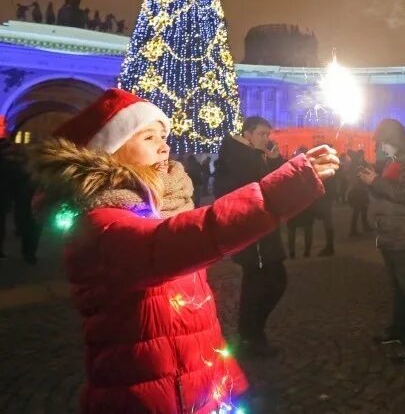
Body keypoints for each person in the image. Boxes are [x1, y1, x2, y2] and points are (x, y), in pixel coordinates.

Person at [29, 88, 337, 413]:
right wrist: (279, 192)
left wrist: (221, 375)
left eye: (164, 135)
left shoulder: (162, 206)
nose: (165, 145)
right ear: (108, 152)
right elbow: (181, 238)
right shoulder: (100, 224)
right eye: (148, 138)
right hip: (143, 396)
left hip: (194, 386)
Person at [213, 117, 297, 357]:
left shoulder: (254, 156)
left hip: (263, 232)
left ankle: (251, 334)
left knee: (264, 284)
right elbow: (247, 189)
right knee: (264, 284)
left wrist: (275, 162)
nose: (266, 139)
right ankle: (252, 336)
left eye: (268, 134)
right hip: (254, 236)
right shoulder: (238, 157)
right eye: (262, 134)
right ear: (247, 134)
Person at [360, 119, 405, 363]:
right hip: (390, 232)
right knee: (397, 287)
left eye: (384, 144)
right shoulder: (395, 161)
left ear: (395, 140)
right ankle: (399, 331)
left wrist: (376, 182)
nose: (381, 149)